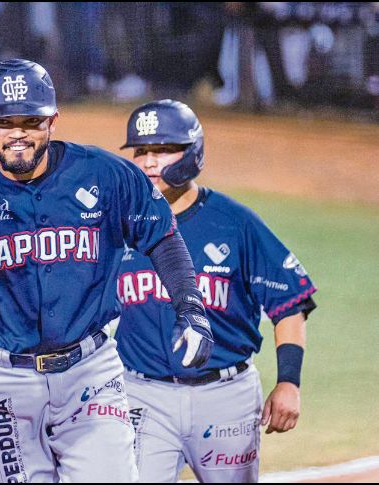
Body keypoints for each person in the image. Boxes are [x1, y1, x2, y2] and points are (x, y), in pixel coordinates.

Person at [0, 58, 215, 483]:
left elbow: (161, 237)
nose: (18, 133)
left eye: (31, 121)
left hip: (90, 374)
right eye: (4, 121)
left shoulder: (105, 175)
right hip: (1, 383)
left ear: (53, 120)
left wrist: (191, 308)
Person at [115, 99, 317, 483]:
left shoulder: (234, 222)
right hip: (142, 397)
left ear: (192, 153)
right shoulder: (118, 222)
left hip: (226, 400)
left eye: (163, 149)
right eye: (141, 151)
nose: (150, 162)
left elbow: (289, 301)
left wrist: (289, 380)